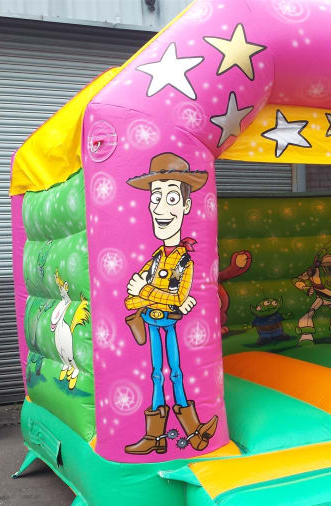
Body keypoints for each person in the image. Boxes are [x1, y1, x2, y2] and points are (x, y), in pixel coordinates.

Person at [123, 152, 218, 455]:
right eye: (156, 198)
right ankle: (156, 436)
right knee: (156, 374)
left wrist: (146, 290)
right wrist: (148, 293)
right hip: (152, 321)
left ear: (187, 206)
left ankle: (193, 431)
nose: (161, 208)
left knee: (175, 372)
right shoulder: (154, 259)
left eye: (172, 198)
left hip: (168, 323)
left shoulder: (184, 261)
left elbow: (176, 297)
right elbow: (130, 299)